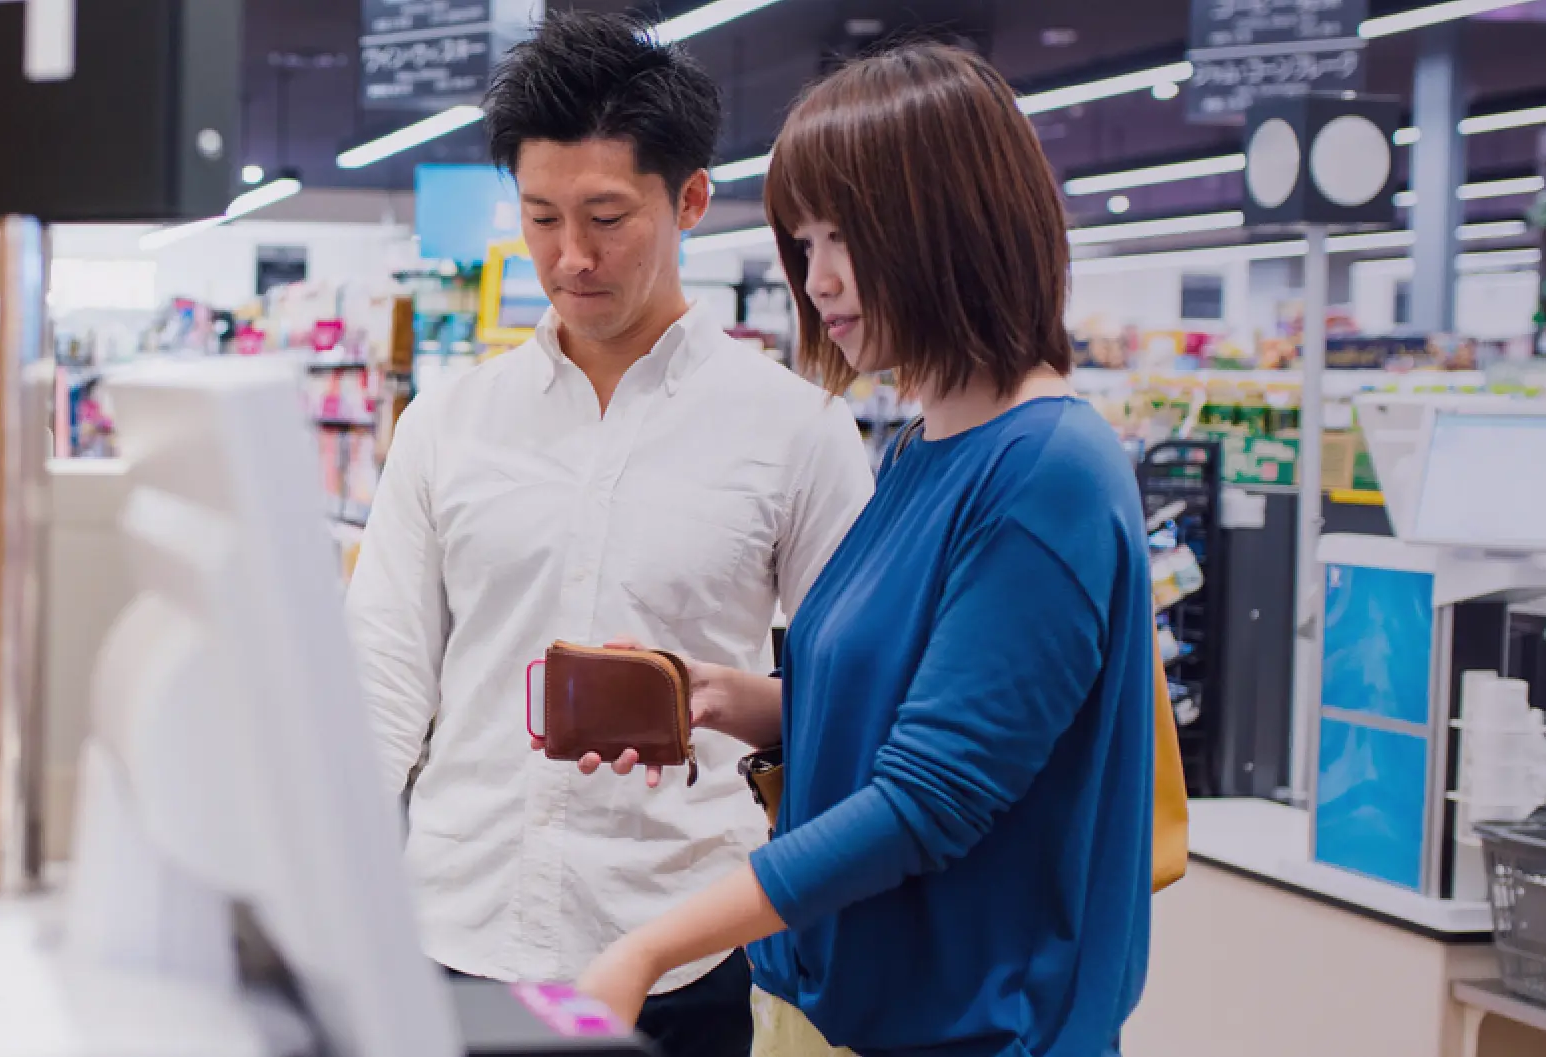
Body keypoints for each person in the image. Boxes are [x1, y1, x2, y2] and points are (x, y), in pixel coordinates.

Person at [572, 44, 1156, 1057]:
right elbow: (913, 714)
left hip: (966, 1033)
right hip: (833, 1009)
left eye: (846, 234)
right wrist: (720, 697)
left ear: (953, 224)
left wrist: (645, 949)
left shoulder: (1046, 472)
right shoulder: (916, 452)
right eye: (801, 240)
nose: (819, 277)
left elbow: (929, 799)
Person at [344, 12, 872, 1057]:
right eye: (540, 217)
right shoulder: (449, 421)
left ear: (686, 200)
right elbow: (385, 671)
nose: (569, 257)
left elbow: (851, 702)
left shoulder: (798, 431)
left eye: (604, 216)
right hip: (454, 928)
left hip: (677, 949)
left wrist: (717, 698)